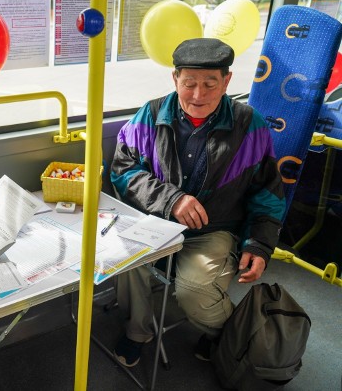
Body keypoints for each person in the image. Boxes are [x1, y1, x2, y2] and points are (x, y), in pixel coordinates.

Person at [110, 38, 286, 367]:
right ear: (175, 79)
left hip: (214, 229)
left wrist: (260, 243)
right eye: (189, 83)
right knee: (124, 259)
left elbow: (268, 191)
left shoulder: (249, 124)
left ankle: (227, 334)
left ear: (228, 81)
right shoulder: (150, 114)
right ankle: (137, 331)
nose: (197, 95)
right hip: (155, 222)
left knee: (195, 294)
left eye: (210, 84)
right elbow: (123, 169)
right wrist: (170, 199)